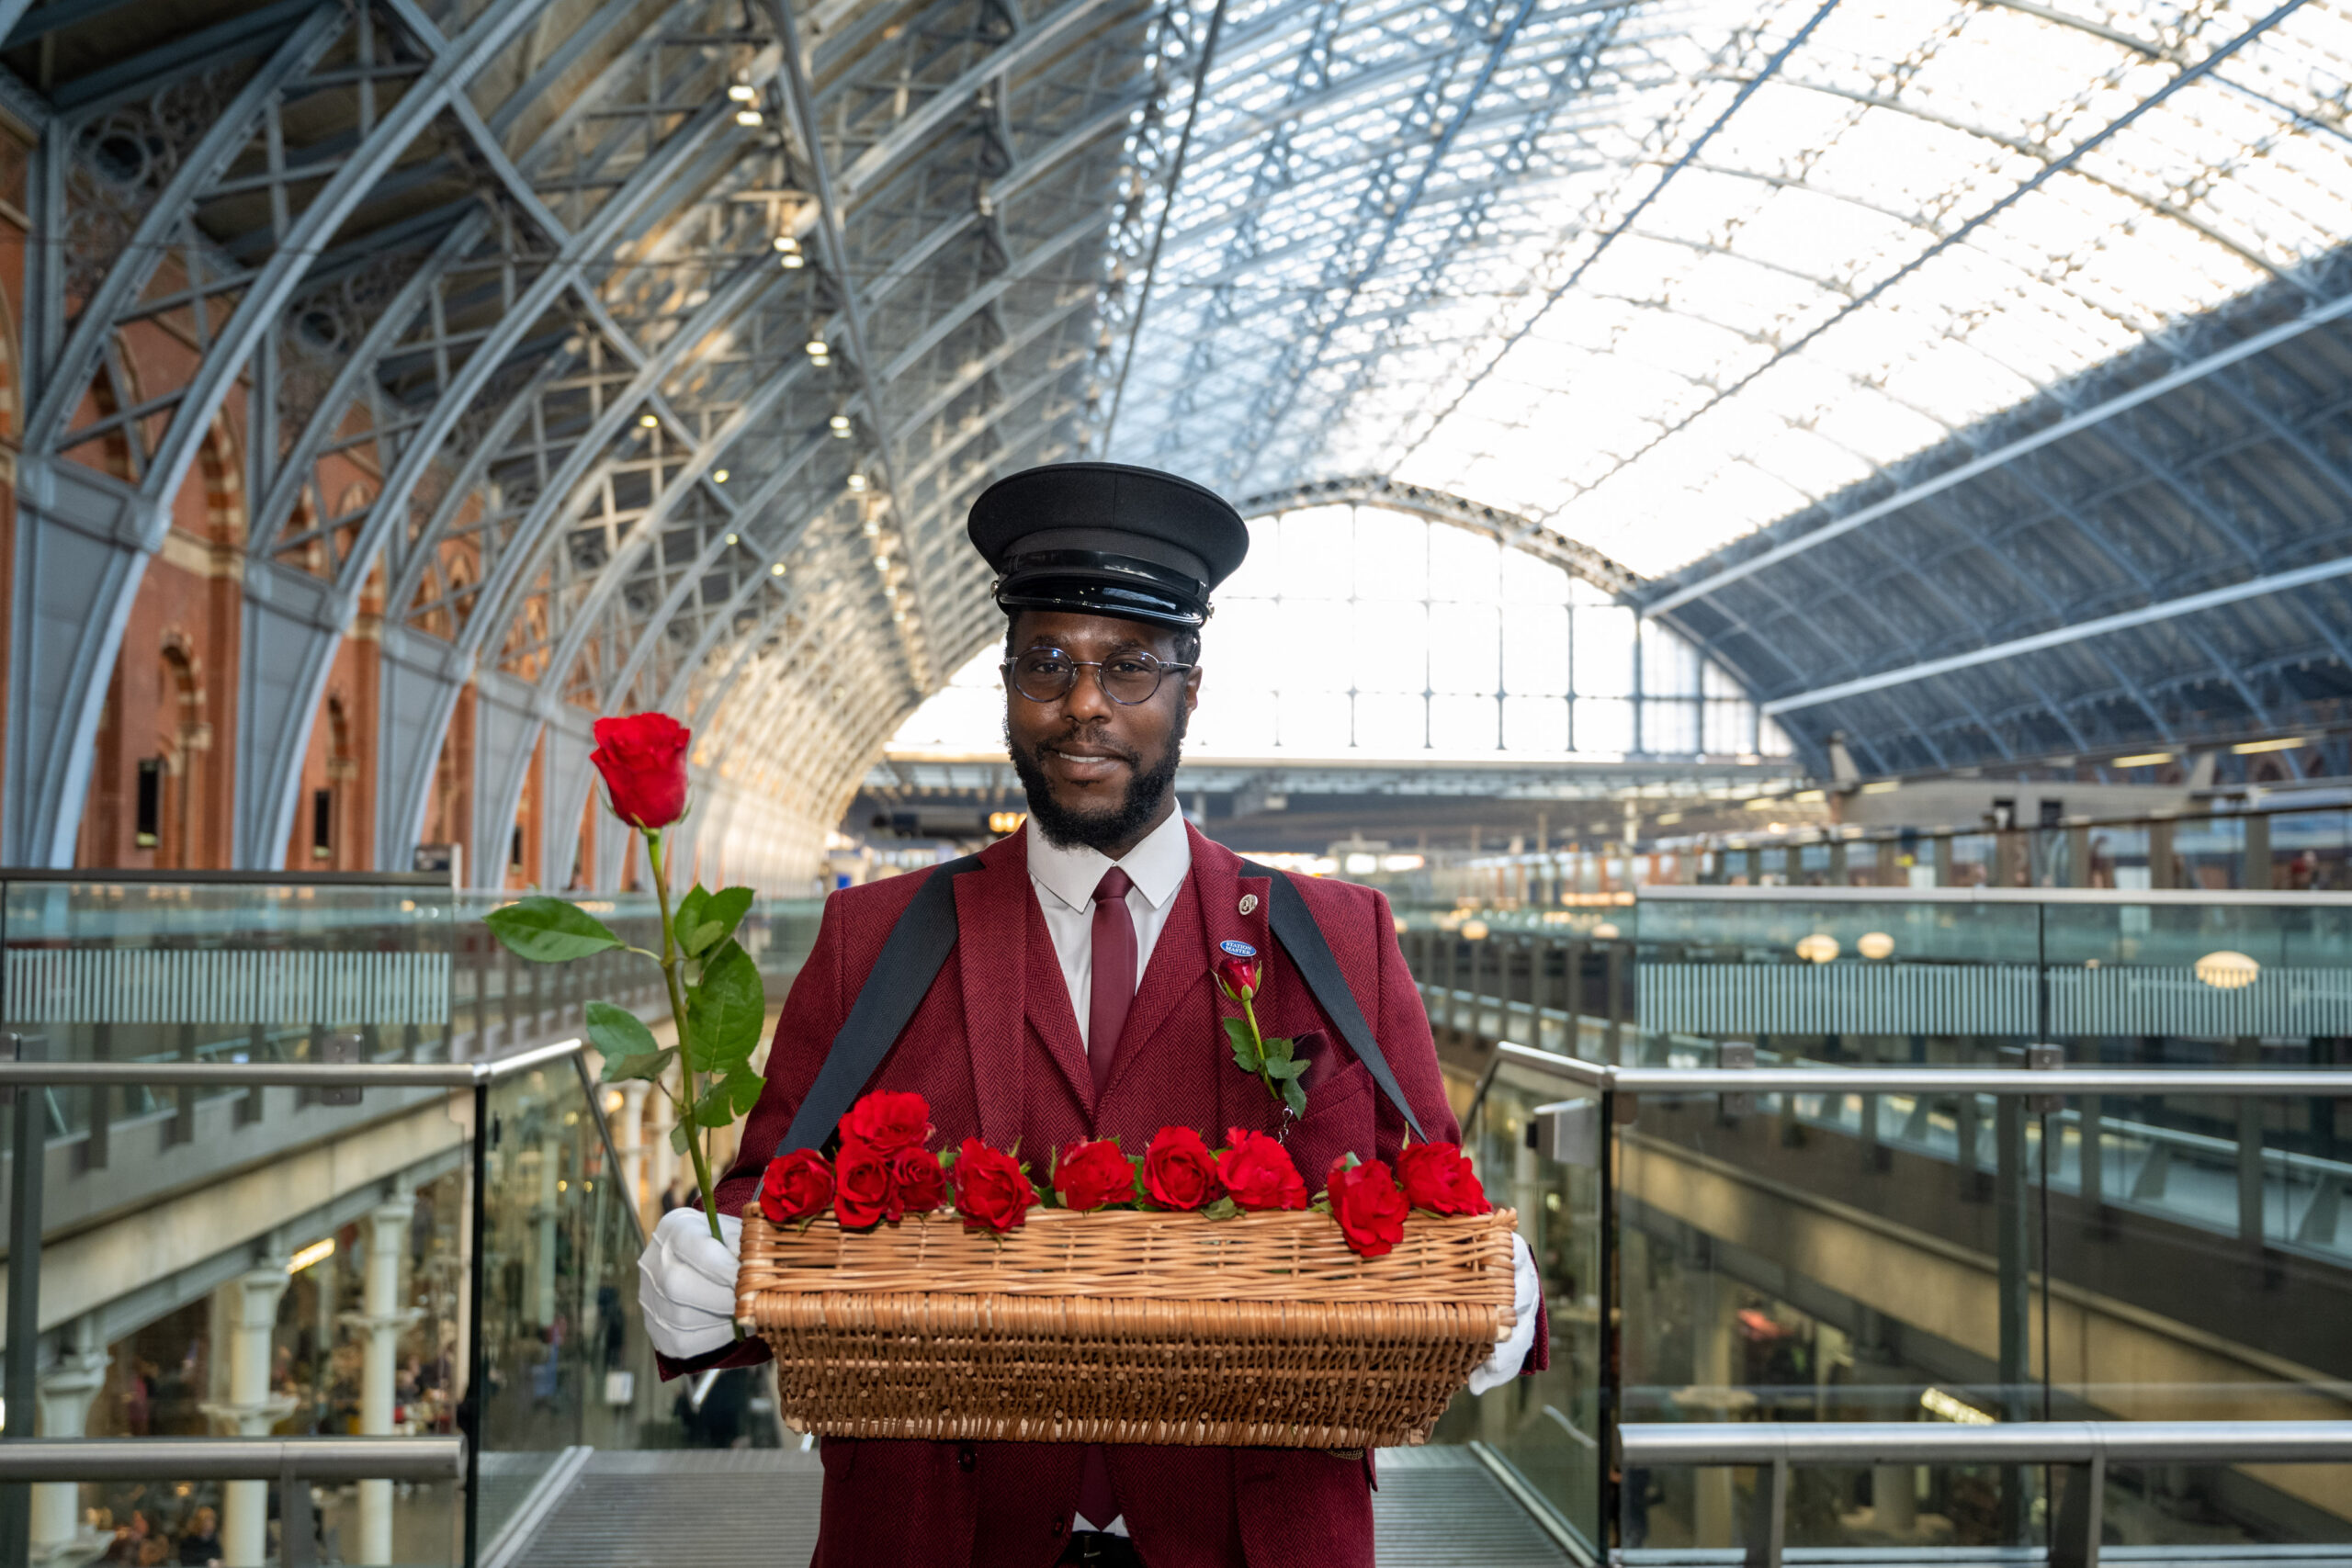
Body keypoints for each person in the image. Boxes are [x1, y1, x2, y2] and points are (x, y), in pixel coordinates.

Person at [639, 462, 1544, 1568]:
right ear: (1008, 684)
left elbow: (1440, 1203)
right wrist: (700, 1285)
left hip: (1253, 1535)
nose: (1084, 705)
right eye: (1047, 663)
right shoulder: (872, 940)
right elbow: (765, 1210)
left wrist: (1509, 1292)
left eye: (1129, 668)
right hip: (936, 1532)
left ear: (1189, 690)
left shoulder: (1335, 937)